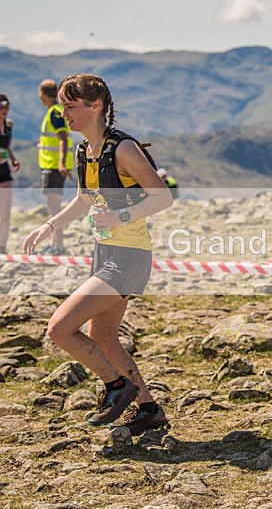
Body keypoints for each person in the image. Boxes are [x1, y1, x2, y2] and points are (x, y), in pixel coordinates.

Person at [23, 74, 173, 435]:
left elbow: (163, 196)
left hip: (129, 257)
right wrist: (49, 226)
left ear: (95, 106)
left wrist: (121, 216)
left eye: (70, 106)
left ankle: (117, 386)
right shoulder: (84, 151)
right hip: (105, 252)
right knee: (103, 336)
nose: (63, 114)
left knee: (60, 328)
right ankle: (149, 409)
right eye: (62, 106)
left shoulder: (124, 149)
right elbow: (83, 199)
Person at [37, 79, 74, 256]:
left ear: (43, 94)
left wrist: (61, 162)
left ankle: (57, 245)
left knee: (53, 206)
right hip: (54, 165)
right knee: (53, 205)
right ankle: (55, 243)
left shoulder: (54, 112)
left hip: (54, 166)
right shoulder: (58, 111)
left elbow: (62, 138)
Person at [0, 94, 21, 254]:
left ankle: (2, 247)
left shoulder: (9, 125)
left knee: (5, 212)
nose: (5, 110)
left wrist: (13, 159)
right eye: (1, 107)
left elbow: (6, 146)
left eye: (7, 106)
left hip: (4, 171)